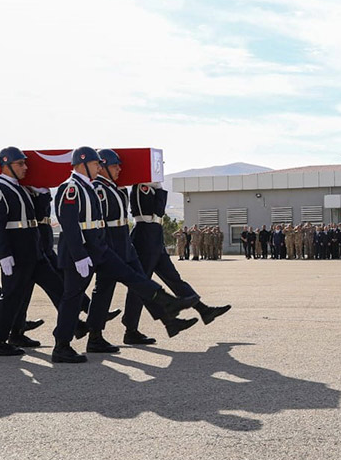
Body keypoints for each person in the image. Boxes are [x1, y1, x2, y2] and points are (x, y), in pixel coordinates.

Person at [51, 147, 199, 363]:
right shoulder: (71, 188)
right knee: (72, 299)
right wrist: (79, 255)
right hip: (81, 254)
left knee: (134, 277)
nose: (98, 168)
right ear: (82, 163)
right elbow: (70, 224)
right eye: (95, 164)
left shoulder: (88, 187)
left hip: (100, 250)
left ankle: (169, 303)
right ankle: (61, 346)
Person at [122, 177, 230, 344]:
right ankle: (131, 329)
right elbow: (158, 210)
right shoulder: (142, 186)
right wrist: (158, 189)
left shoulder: (150, 187)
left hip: (154, 235)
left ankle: (203, 310)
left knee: (173, 278)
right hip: (145, 236)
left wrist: (158, 188)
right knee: (141, 285)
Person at [0, 147, 66, 356]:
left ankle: (70, 330)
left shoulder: (19, 188)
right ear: (6, 164)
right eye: (20, 164)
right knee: (11, 297)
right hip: (17, 254)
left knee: (60, 288)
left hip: (34, 253)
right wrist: (3, 255)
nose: (25, 167)